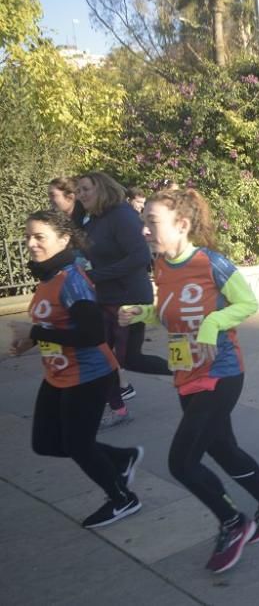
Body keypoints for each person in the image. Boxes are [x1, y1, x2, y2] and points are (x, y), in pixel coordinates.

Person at [119, 188, 259, 573]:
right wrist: (143, 313)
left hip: (221, 373)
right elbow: (172, 313)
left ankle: (233, 521)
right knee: (222, 449)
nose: (145, 232)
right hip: (186, 373)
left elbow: (247, 304)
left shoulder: (211, 262)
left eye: (151, 223)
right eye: (144, 223)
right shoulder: (162, 265)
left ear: (182, 225)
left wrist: (214, 323)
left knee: (181, 462)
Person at [9, 210, 143, 529]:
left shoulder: (71, 280)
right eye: (28, 236)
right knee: (45, 442)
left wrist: (35, 334)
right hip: (58, 373)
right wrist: (31, 341)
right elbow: (54, 323)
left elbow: (92, 335)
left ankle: (122, 498)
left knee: (78, 445)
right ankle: (120, 458)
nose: (30, 243)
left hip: (88, 374)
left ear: (63, 239)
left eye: (39, 237)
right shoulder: (48, 276)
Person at [76, 172, 171, 428]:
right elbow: (79, 240)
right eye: (78, 190)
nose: (81, 194)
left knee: (129, 359)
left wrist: (97, 275)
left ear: (103, 189)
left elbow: (140, 257)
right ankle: (117, 409)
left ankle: (185, 373)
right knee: (102, 357)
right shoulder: (93, 220)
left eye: (86, 189)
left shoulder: (121, 216)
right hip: (105, 298)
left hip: (128, 298)